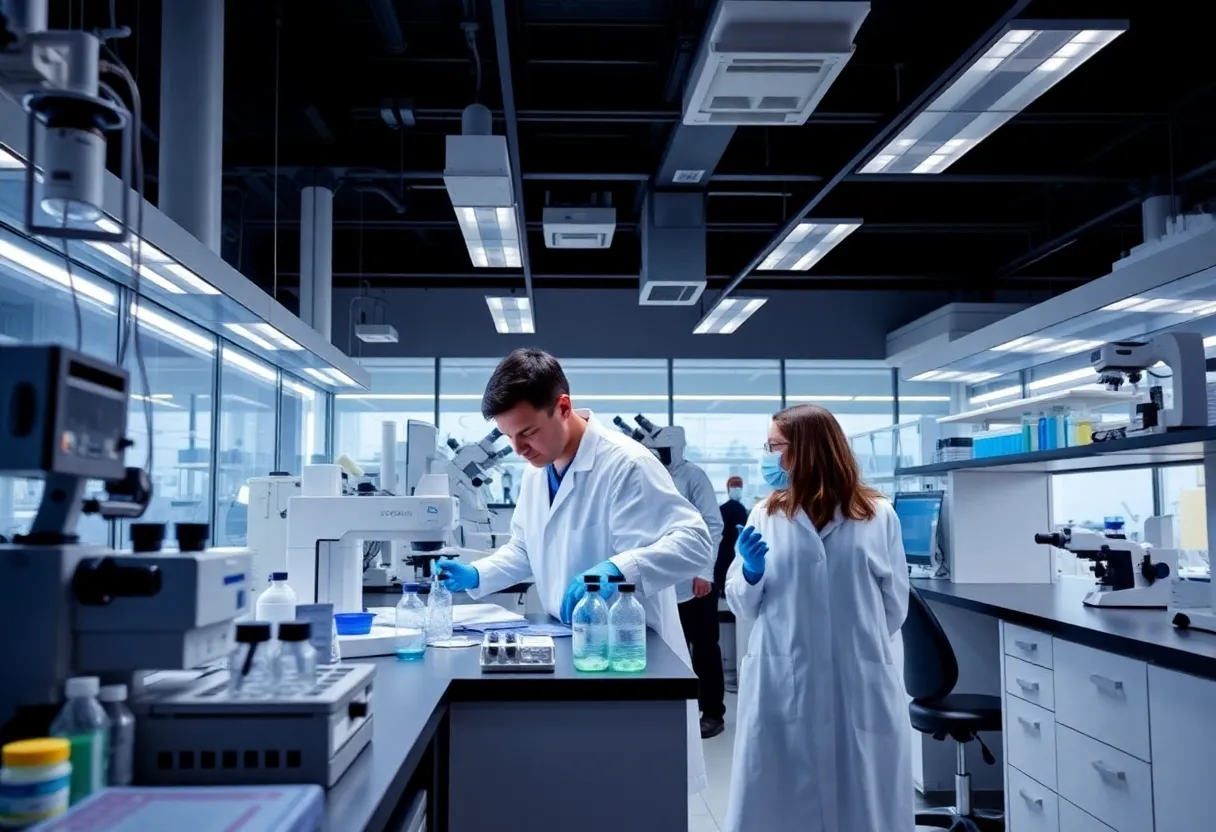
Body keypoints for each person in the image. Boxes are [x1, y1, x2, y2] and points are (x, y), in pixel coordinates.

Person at [437, 348, 712, 795]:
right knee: (579, 793)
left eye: (526, 432)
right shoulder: (536, 470)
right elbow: (526, 551)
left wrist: (619, 568)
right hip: (572, 652)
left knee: (633, 796)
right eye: (509, 438)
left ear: (563, 407)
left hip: (630, 656)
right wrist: (476, 574)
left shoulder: (627, 463)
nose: (519, 448)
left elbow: (695, 541)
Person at [724, 404, 912, 832]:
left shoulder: (878, 516)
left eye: (775, 446)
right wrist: (751, 573)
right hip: (782, 678)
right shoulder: (765, 515)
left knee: (863, 803)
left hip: (858, 681)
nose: (768, 456)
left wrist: (849, 640)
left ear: (807, 451)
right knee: (778, 802)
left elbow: (893, 605)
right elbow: (742, 604)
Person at [662, 432, 726, 739]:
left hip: (695, 581)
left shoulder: (693, 476)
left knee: (704, 648)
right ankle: (673, 710)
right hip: (662, 582)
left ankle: (713, 713)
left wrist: (704, 571)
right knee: (668, 649)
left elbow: (713, 524)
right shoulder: (648, 474)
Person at [717, 476, 748, 594]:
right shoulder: (738, 509)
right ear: (728, 488)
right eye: (734, 486)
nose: (736, 488)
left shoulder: (724, 508)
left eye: (738, 486)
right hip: (727, 547)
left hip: (729, 548)